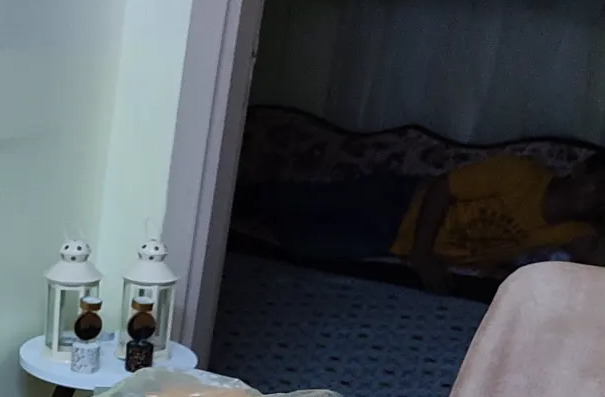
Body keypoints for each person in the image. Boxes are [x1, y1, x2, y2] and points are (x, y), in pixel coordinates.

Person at [236, 151, 605, 291]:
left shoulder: (573, 231)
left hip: (392, 242)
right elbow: (443, 189)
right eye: (598, 186)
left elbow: (596, 264)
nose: (596, 198)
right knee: (301, 202)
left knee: (304, 244)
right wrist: (423, 254)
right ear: (580, 171)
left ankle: (248, 224)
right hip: (398, 204)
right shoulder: (522, 175)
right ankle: (228, 199)